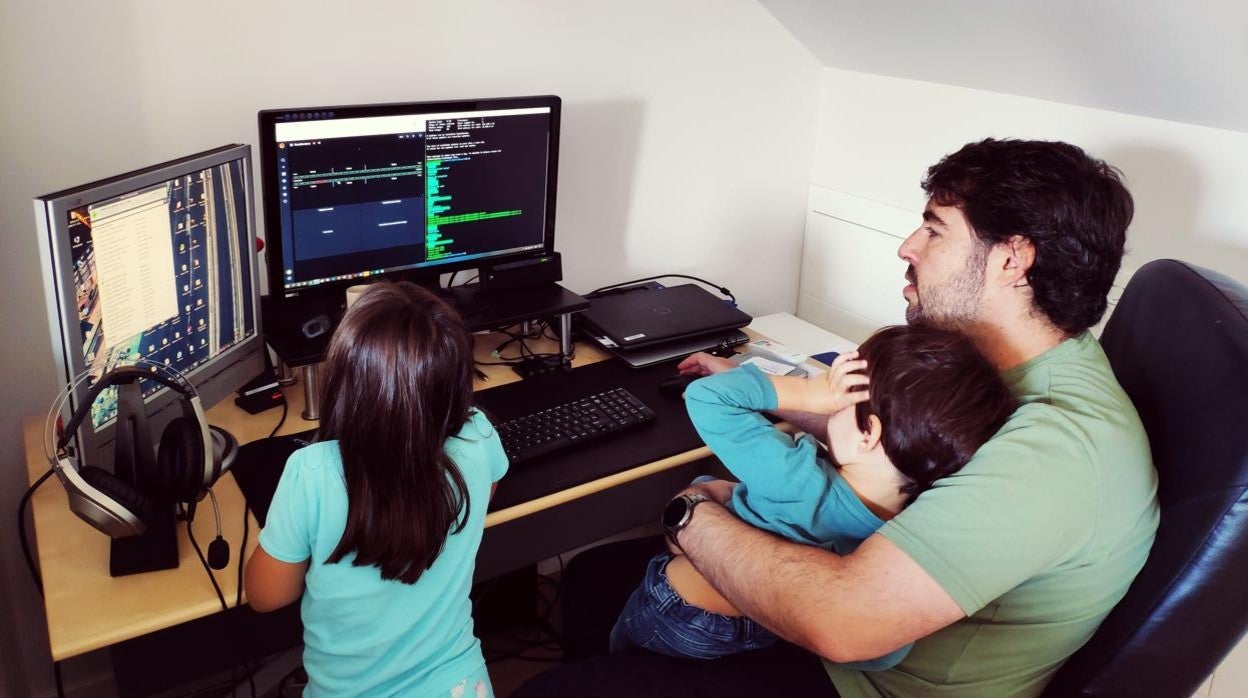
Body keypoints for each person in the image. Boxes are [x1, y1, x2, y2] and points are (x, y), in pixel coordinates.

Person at [515, 138, 1159, 697]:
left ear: (1011, 259)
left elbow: (844, 625)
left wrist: (692, 515)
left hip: (868, 679)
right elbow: (910, 450)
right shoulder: (1011, 372)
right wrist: (802, 402)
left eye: (934, 229)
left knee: (551, 691)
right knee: (595, 581)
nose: (907, 247)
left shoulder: (1057, 446)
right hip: (868, 637)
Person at [609, 325, 1016, 668]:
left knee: (620, 646)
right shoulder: (900, 537)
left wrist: (812, 393)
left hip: (677, 611)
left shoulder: (797, 476)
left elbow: (708, 397)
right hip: (757, 634)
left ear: (869, 434)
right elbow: (882, 654)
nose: (829, 410)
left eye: (841, 402)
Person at [244, 282, 508, 697]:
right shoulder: (479, 435)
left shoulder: (311, 471)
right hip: (463, 685)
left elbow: (265, 596)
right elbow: (484, 494)